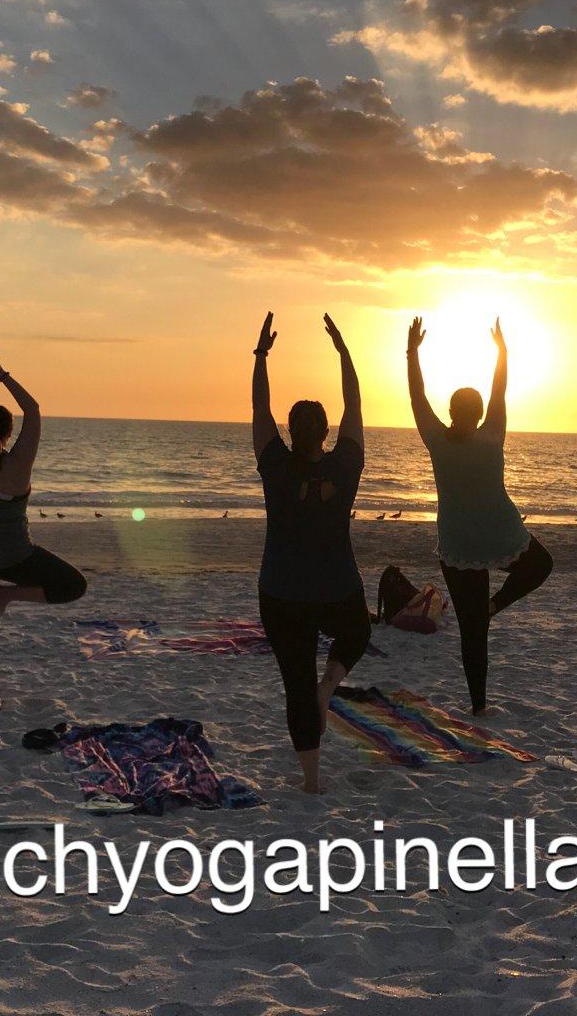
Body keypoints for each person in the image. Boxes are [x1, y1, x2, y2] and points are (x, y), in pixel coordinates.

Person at [406, 315, 552, 716]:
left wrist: (412, 352)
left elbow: (417, 398)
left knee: (473, 632)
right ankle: (496, 604)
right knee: (541, 565)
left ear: (451, 411)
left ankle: (479, 706)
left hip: (458, 543)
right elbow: (499, 391)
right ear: (479, 411)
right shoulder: (492, 434)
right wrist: (502, 352)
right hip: (499, 535)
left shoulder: (437, 439)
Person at [251, 311, 371, 794]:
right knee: (358, 632)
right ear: (326, 432)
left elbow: (259, 409)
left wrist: (260, 357)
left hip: (281, 593)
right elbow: (356, 404)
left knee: (295, 682)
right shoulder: (346, 465)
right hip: (336, 586)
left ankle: (312, 780)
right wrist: (344, 354)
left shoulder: (276, 466)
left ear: (291, 430)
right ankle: (329, 687)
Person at [0, 344, 86, 711]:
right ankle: (6, 595)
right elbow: (33, 409)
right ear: (9, 432)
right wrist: (1, 374)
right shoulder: (19, 462)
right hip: (15, 556)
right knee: (73, 585)